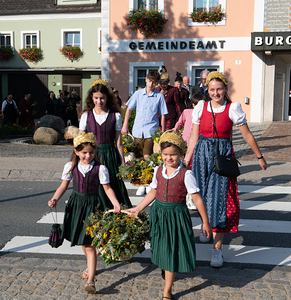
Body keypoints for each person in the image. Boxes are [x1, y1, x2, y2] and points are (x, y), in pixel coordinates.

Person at [184, 71, 267, 268]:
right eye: (212, 89)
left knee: (220, 201)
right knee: (201, 198)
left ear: (225, 89)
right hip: (201, 157)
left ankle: (217, 250)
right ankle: (207, 227)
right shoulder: (200, 107)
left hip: (222, 158)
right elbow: (194, 137)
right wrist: (187, 157)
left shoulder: (233, 108)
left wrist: (259, 156)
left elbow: (247, 136)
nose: (215, 93)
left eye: (219, 89)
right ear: (207, 90)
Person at [127, 131, 211, 300]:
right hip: (158, 213)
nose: (169, 158)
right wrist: (138, 208)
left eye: (173, 155)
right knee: (159, 245)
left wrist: (205, 221)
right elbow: (153, 192)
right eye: (165, 155)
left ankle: (167, 291)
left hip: (175, 216)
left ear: (181, 153)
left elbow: (197, 199)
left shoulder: (186, 174)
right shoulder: (158, 170)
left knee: (171, 250)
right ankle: (166, 269)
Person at [48, 132, 121, 294]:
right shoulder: (70, 167)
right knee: (83, 241)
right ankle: (91, 266)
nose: (88, 156)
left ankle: (91, 280)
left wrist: (116, 203)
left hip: (93, 207)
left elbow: (107, 188)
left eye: (91, 152)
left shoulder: (100, 168)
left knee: (89, 244)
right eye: (84, 153)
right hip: (76, 205)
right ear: (76, 152)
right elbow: (63, 186)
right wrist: (55, 199)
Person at [79, 79, 132, 209]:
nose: (99, 101)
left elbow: (118, 142)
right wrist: (79, 160)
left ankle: (115, 214)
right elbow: (80, 141)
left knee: (112, 186)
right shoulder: (87, 115)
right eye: (96, 98)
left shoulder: (115, 116)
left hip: (110, 156)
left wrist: (122, 163)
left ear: (107, 98)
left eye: (102, 98)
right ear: (91, 97)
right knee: (94, 187)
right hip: (92, 156)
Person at [121, 70, 168, 196]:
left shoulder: (159, 96)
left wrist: (162, 131)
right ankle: (140, 182)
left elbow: (163, 114)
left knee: (148, 158)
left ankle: (148, 183)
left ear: (157, 83)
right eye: (149, 81)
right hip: (137, 130)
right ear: (146, 80)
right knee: (138, 158)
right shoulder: (138, 94)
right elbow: (129, 109)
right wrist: (125, 125)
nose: (151, 84)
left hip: (150, 131)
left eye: (154, 82)